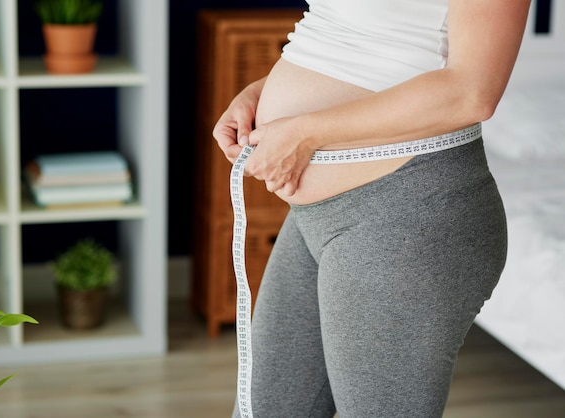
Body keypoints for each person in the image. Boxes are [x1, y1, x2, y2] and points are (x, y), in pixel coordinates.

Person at [213, 1, 531, 417]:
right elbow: (357, 37)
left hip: (406, 213)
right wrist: (264, 90)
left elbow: (471, 92)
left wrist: (305, 131)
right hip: (320, 220)